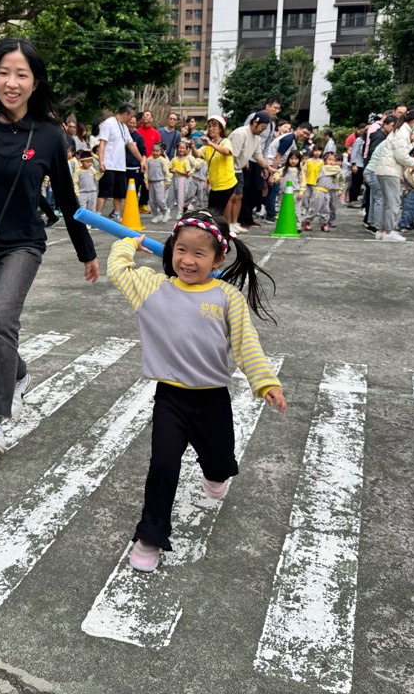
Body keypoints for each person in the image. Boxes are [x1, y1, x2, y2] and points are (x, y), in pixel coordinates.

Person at [0, 37, 98, 456]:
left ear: (34, 82)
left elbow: (68, 200)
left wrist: (86, 252)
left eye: (21, 74)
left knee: (1, 323)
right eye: (4, 72)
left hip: (23, 244)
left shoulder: (48, 136)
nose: (12, 82)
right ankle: (18, 375)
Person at [106, 210, 286, 572]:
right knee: (163, 465)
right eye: (181, 250)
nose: (187, 260)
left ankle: (215, 473)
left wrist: (265, 382)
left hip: (211, 398)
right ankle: (150, 535)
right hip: (170, 398)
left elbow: (246, 346)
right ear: (171, 249)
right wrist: (129, 243)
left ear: (218, 259)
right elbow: (118, 269)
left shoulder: (226, 296)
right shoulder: (153, 288)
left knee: (219, 465)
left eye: (199, 254)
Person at [375, 108, 414, 242]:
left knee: (387, 202)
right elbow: (401, 156)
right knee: (393, 202)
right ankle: (388, 231)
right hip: (390, 170)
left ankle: (382, 230)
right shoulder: (403, 131)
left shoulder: (399, 129)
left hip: (385, 169)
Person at [226, 112, 272, 235]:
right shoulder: (241, 134)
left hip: (238, 169)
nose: (263, 130)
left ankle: (234, 223)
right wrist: (229, 174)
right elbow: (232, 157)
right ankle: (228, 224)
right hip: (229, 169)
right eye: (262, 127)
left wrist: (269, 168)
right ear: (255, 123)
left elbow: (258, 157)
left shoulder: (256, 138)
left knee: (239, 197)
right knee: (231, 197)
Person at [97, 103, 145, 222]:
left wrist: (141, 161)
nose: (132, 119)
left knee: (119, 192)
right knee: (104, 191)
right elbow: (102, 143)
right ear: (125, 114)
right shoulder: (108, 123)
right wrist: (101, 161)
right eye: (131, 116)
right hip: (108, 164)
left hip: (120, 165)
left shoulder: (124, 127)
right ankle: (97, 215)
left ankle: (117, 214)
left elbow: (131, 145)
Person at [362, 115, 397, 233]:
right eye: (392, 126)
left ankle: (372, 222)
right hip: (374, 170)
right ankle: (378, 226)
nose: (393, 129)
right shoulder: (381, 137)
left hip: (371, 170)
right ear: (385, 124)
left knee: (375, 197)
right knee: (379, 198)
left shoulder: (382, 137)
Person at [195, 116, 234, 216]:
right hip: (215, 185)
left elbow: (227, 151)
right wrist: (192, 146)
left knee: (216, 214)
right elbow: (198, 154)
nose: (211, 128)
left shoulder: (225, 141)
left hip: (226, 184)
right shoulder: (208, 145)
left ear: (221, 128)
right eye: (209, 126)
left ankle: (225, 225)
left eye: (214, 126)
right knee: (212, 213)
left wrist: (211, 144)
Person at [301, 151, 343, 232]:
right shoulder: (325, 168)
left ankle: (324, 223)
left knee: (326, 209)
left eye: (334, 160)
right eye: (329, 160)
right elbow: (338, 169)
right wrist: (337, 165)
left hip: (326, 192)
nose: (332, 162)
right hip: (319, 191)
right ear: (324, 161)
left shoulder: (332, 170)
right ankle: (306, 221)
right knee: (315, 208)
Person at [144, 141, 171, 223]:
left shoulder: (163, 160)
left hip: (160, 182)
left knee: (160, 199)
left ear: (161, 151)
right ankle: (156, 215)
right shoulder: (149, 160)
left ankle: (165, 211)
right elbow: (146, 172)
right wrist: (146, 181)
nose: (155, 153)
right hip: (151, 182)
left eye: (157, 151)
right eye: (153, 150)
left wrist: (168, 182)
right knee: (152, 201)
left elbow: (166, 172)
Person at [125, 114, 147, 213]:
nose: (131, 125)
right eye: (130, 122)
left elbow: (143, 152)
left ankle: (132, 209)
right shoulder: (121, 135)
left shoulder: (138, 137)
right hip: (122, 167)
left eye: (133, 123)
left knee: (134, 190)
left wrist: (143, 163)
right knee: (122, 190)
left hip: (135, 168)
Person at [169, 141, 194, 218]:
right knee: (171, 195)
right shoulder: (174, 159)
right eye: (180, 148)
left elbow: (187, 172)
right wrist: (173, 171)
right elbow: (170, 169)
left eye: (183, 148)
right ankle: (168, 211)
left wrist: (179, 172)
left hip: (182, 179)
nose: (181, 150)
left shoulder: (186, 160)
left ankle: (180, 212)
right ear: (177, 149)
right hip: (174, 178)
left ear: (186, 149)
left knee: (180, 196)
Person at [347, 123, 368, 206]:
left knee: (360, 183)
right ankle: (352, 199)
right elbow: (354, 152)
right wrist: (353, 164)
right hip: (357, 164)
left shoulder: (367, 140)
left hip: (363, 164)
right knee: (355, 183)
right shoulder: (359, 140)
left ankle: (355, 199)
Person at [75, 149, 100, 214]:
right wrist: (77, 193)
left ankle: (91, 221)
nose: (89, 164)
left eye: (90, 162)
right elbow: (75, 183)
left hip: (92, 193)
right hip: (82, 193)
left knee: (92, 211)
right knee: (83, 211)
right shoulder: (78, 171)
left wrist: (101, 172)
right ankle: (83, 221)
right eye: (87, 162)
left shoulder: (91, 169)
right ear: (82, 161)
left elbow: (97, 177)